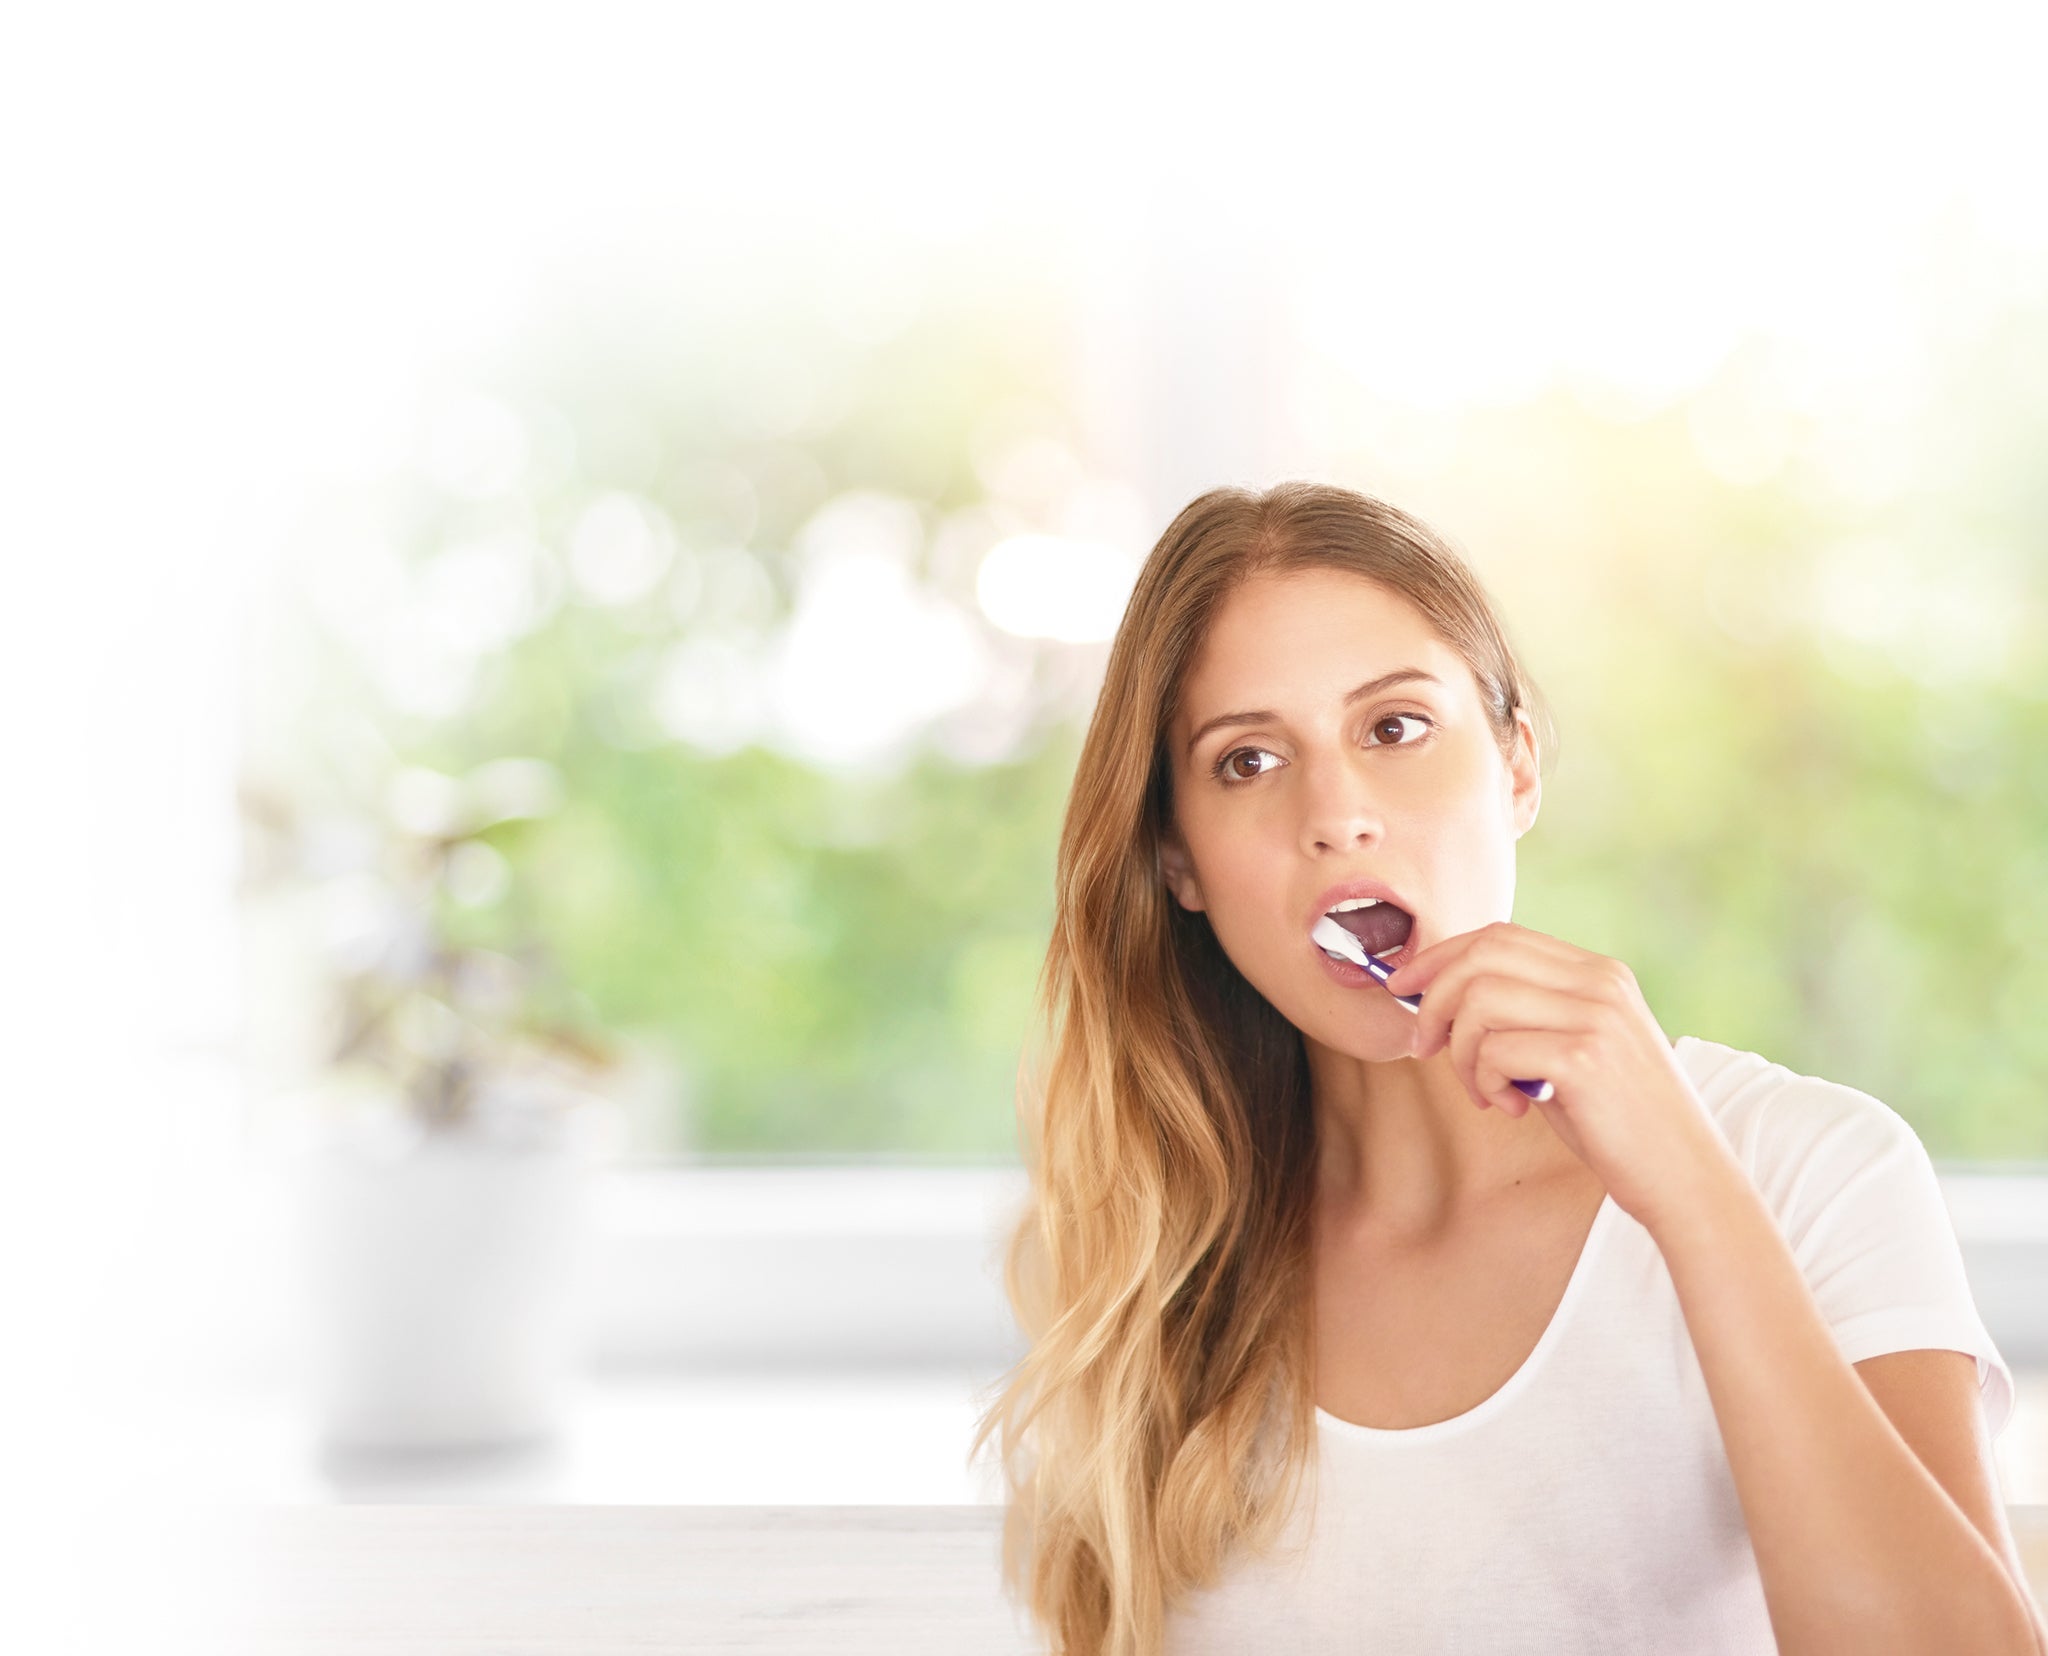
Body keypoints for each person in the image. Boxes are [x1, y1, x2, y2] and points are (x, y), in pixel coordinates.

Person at [967, 482, 2044, 1656]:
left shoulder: (1811, 1169)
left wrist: (1687, 1190)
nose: (1335, 815)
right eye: (1246, 760)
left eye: (1393, 728)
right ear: (1178, 859)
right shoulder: (1152, 1256)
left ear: (1516, 766)